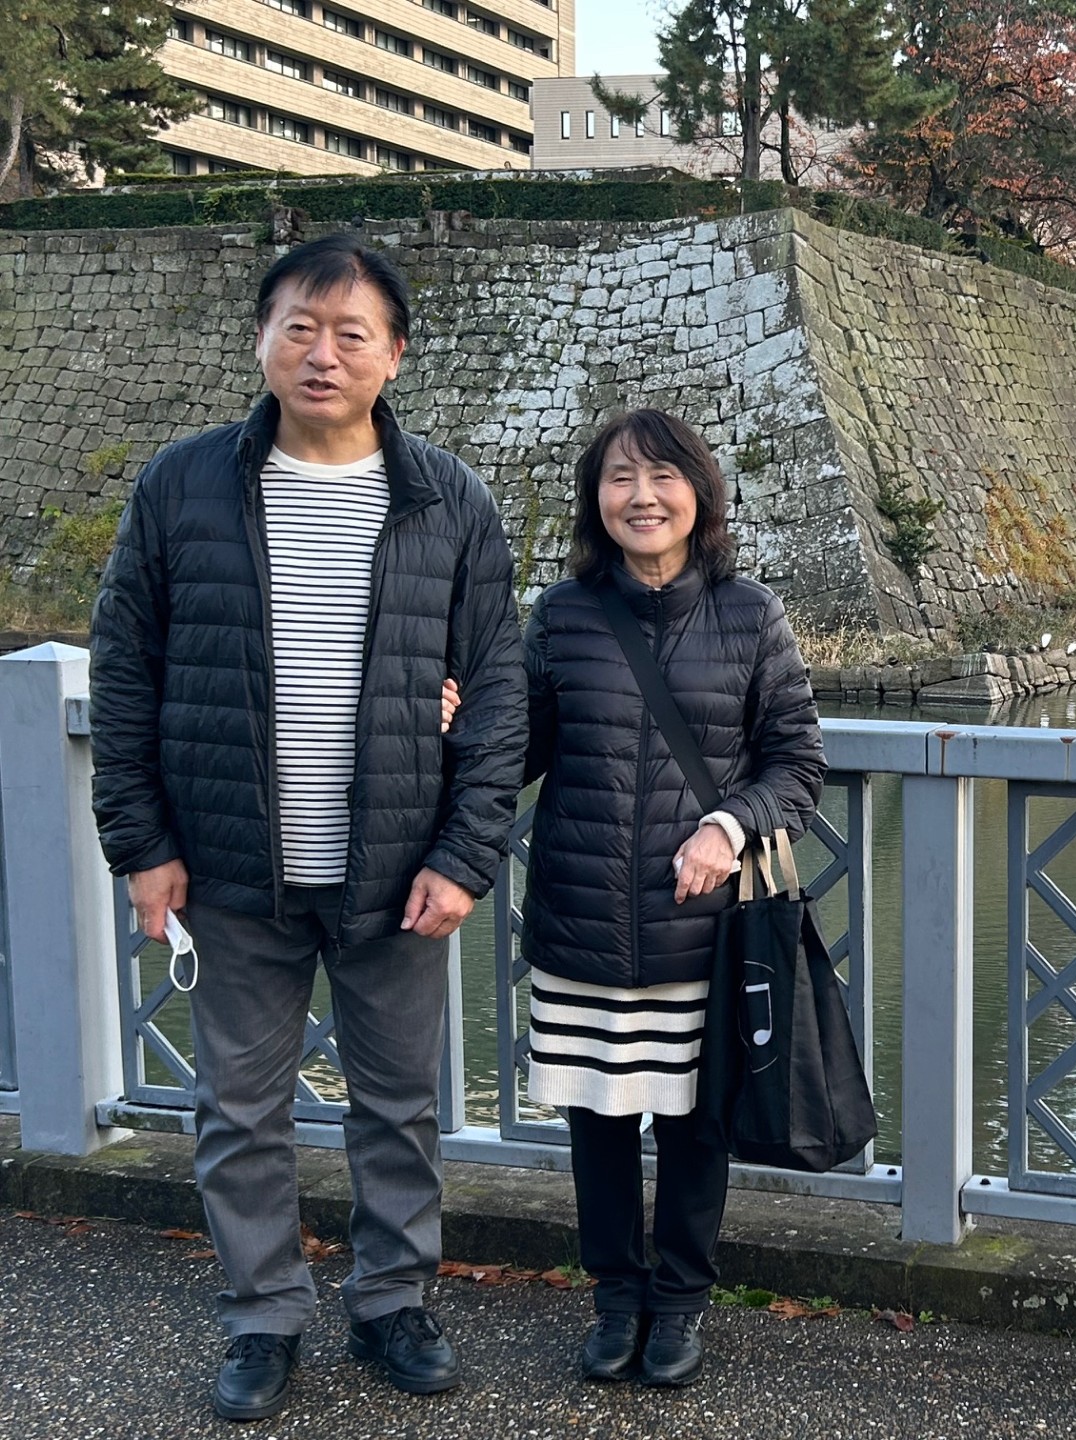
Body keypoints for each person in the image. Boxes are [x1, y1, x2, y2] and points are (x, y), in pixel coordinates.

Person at [89, 234, 528, 1422]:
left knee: (399, 1104)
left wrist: (465, 855)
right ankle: (263, 1316)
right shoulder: (182, 485)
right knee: (239, 1109)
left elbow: (497, 690)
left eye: (350, 333)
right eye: (299, 326)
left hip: (399, 867)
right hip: (231, 864)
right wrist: (142, 846)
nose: (322, 353)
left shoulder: (448, 498)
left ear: (395, 354)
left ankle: (392, 1302)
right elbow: (125, 671)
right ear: (262, 340)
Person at [520, 409, 825, 1388]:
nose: (641, 497)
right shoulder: (561, 616)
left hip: (706, 931)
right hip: (580, 918)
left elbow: (798, 764)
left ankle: (682, 1300)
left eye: (662, 477)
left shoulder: (751, 614)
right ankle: (616, 1299)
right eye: (619, 478)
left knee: (696, 1128)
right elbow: (518, 752)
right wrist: (453, 723)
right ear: (595, 500)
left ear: (699, 493)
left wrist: (728, 825)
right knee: (599, 1126)